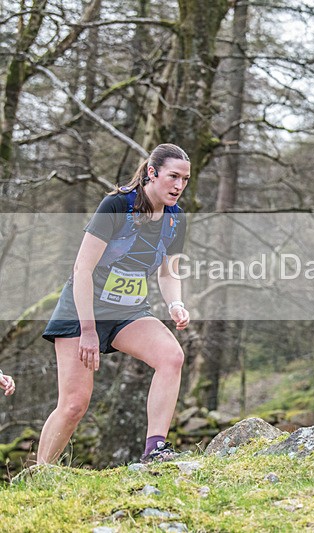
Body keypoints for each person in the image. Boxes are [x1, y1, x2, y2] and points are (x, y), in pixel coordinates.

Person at [38, 143, 191, 464]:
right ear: (152, 172)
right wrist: (89, 330)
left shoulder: (176, 220)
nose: (179, 186)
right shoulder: (116, 205)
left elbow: (168, 273)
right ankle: (41, 476)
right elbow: (82, 269)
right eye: (173, 177)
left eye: (185, 180)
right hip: (81, 311)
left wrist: (175, 304)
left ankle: (155, 449)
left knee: (171, 357)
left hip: (129, 312)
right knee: (74, 404)